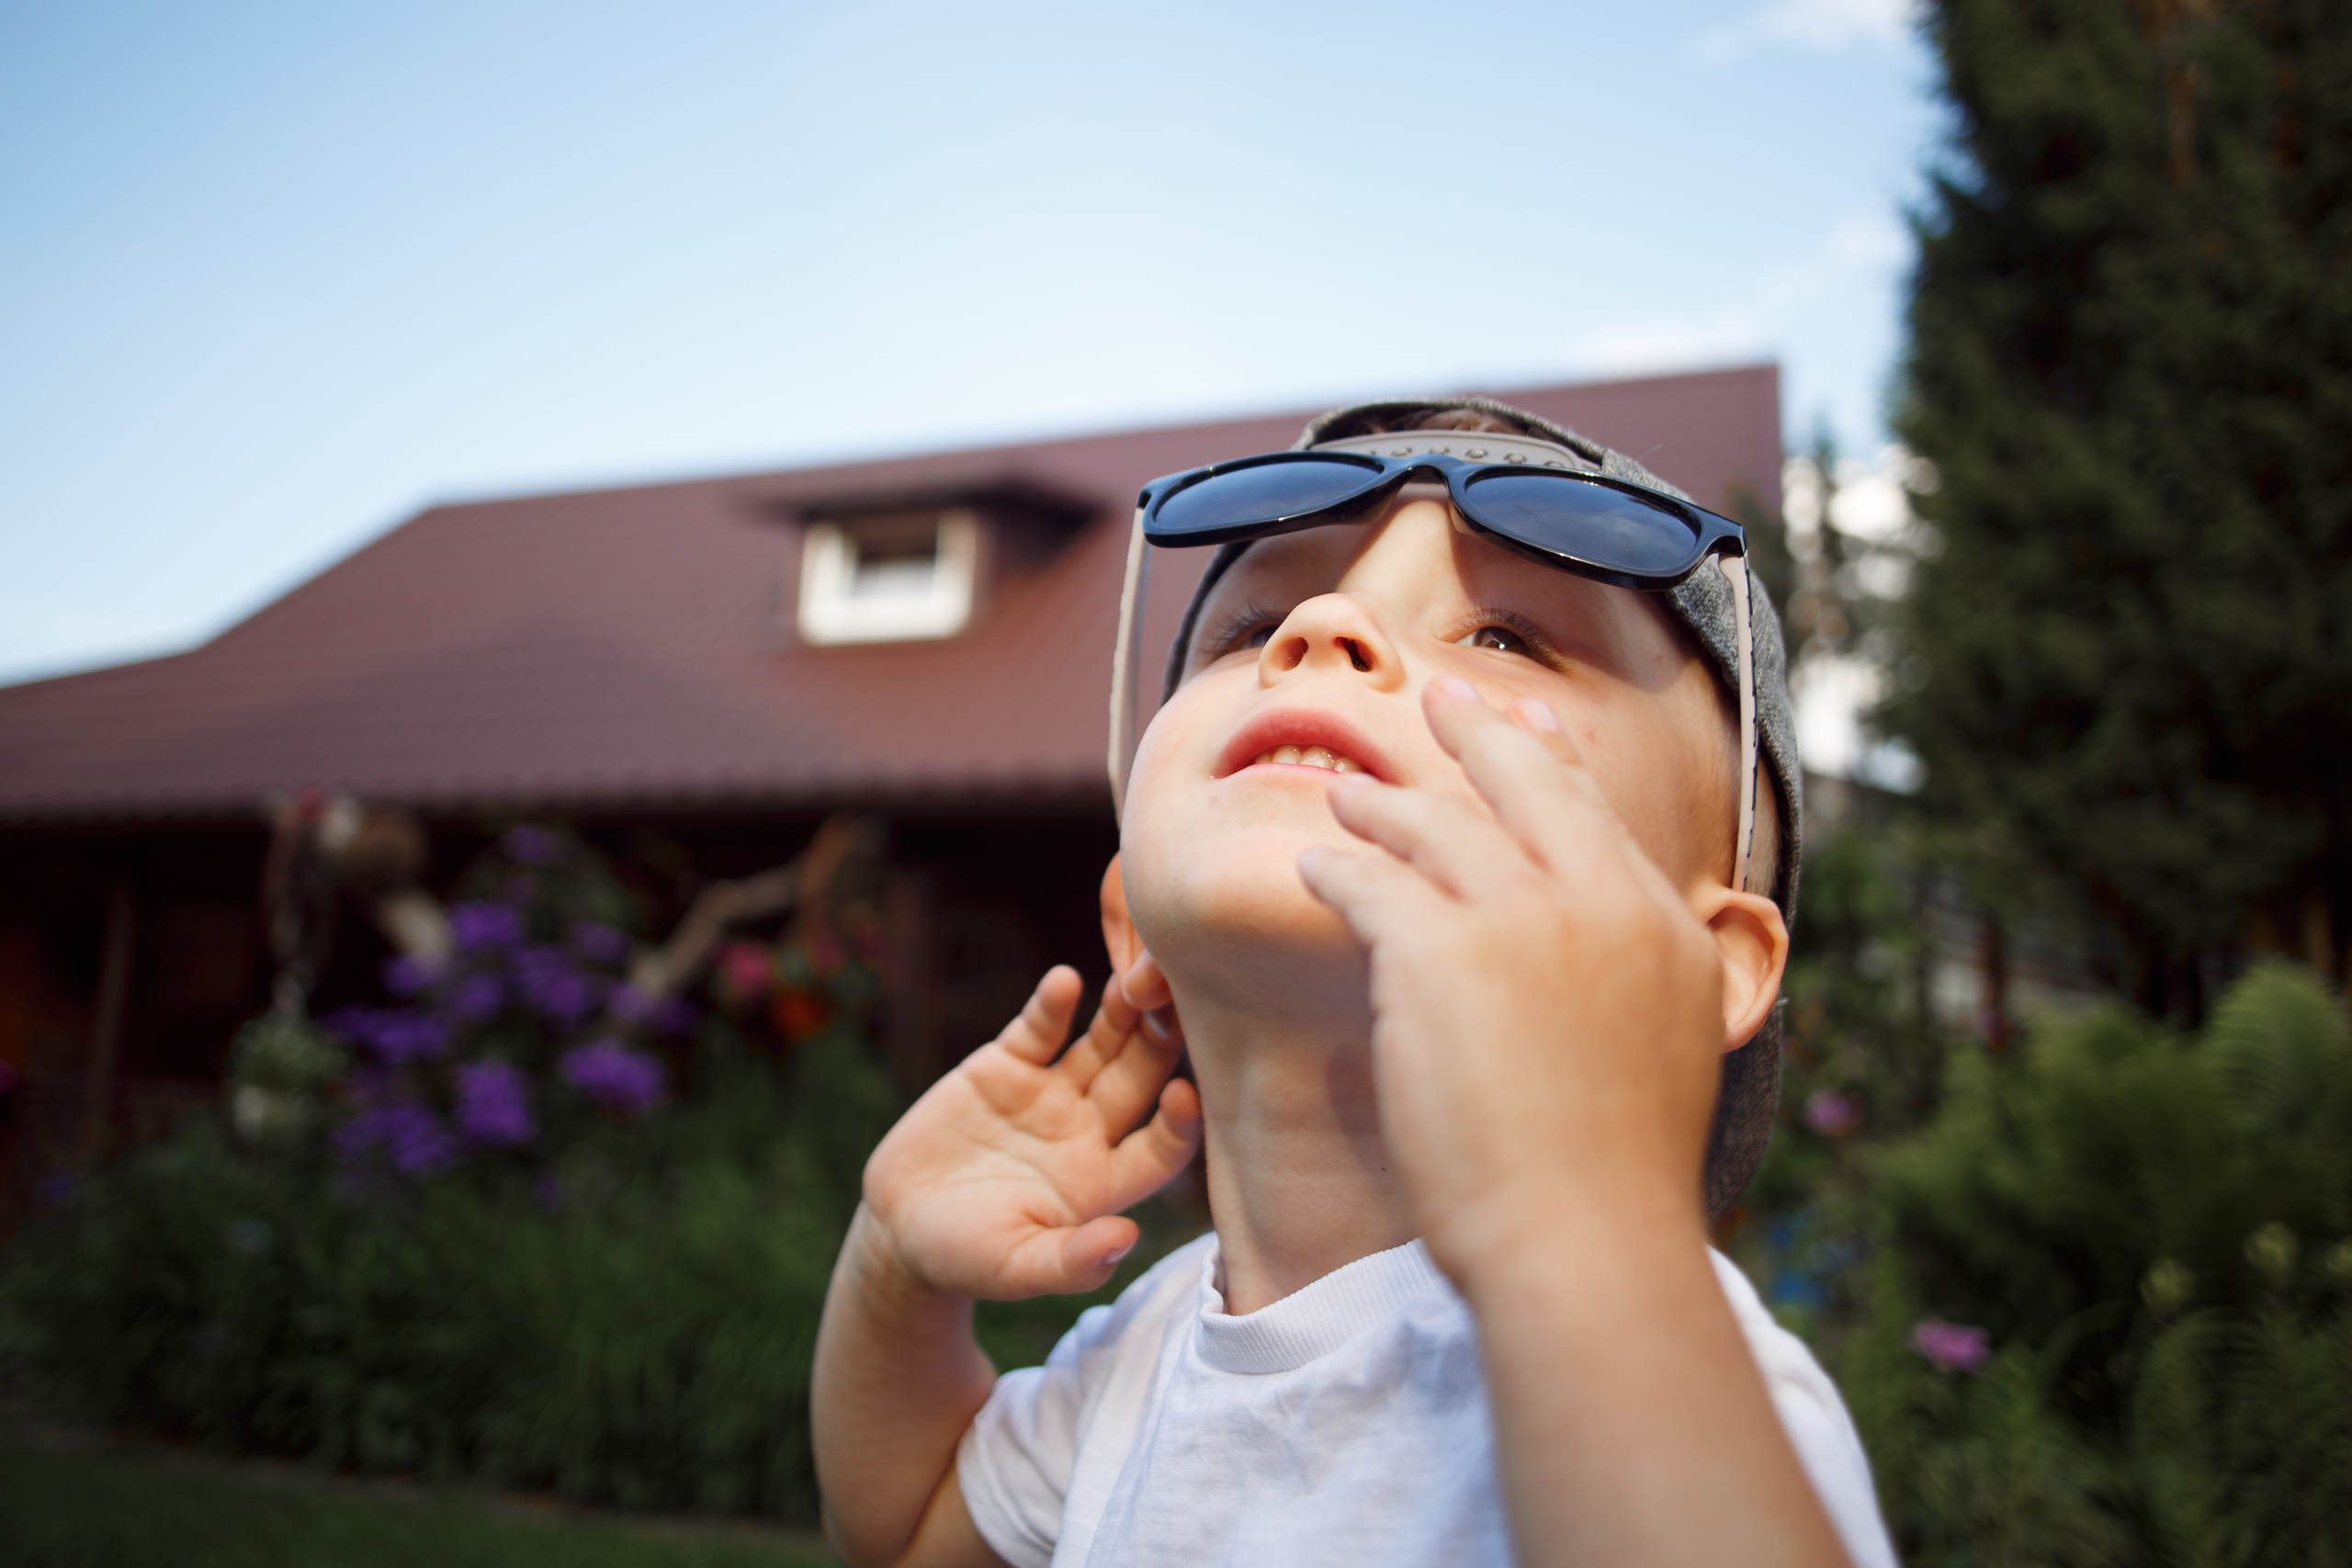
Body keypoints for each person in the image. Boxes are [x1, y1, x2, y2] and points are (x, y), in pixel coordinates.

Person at [811, 398, 1897, 1568]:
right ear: (1134, 925)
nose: (1326, 626)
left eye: (1503, 638)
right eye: (1256, 623)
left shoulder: (1695, 1381)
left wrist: (1581, 1218)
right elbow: (908, 1533)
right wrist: (891, 1268)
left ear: (1697, 975)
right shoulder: (1138, 1360)